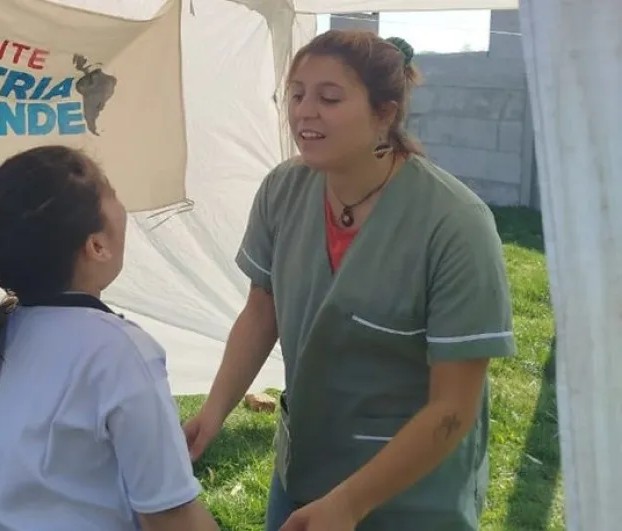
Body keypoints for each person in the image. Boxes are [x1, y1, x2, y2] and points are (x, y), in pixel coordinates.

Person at [182, 30, 515, 531]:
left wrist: (350, 504)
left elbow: (453, 406)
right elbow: (261, 310)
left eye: (329, 97)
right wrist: (213, 412)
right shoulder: (283, 190)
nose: (304, 111)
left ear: (385, 112)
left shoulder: (455, 224)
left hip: (411, 492)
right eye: (296, 94)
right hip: (305, 470)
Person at [0, 145, 220, 531]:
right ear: (97, 246)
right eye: (113, 194)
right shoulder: (123, 355)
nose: (122, 204)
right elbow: (170, 515)